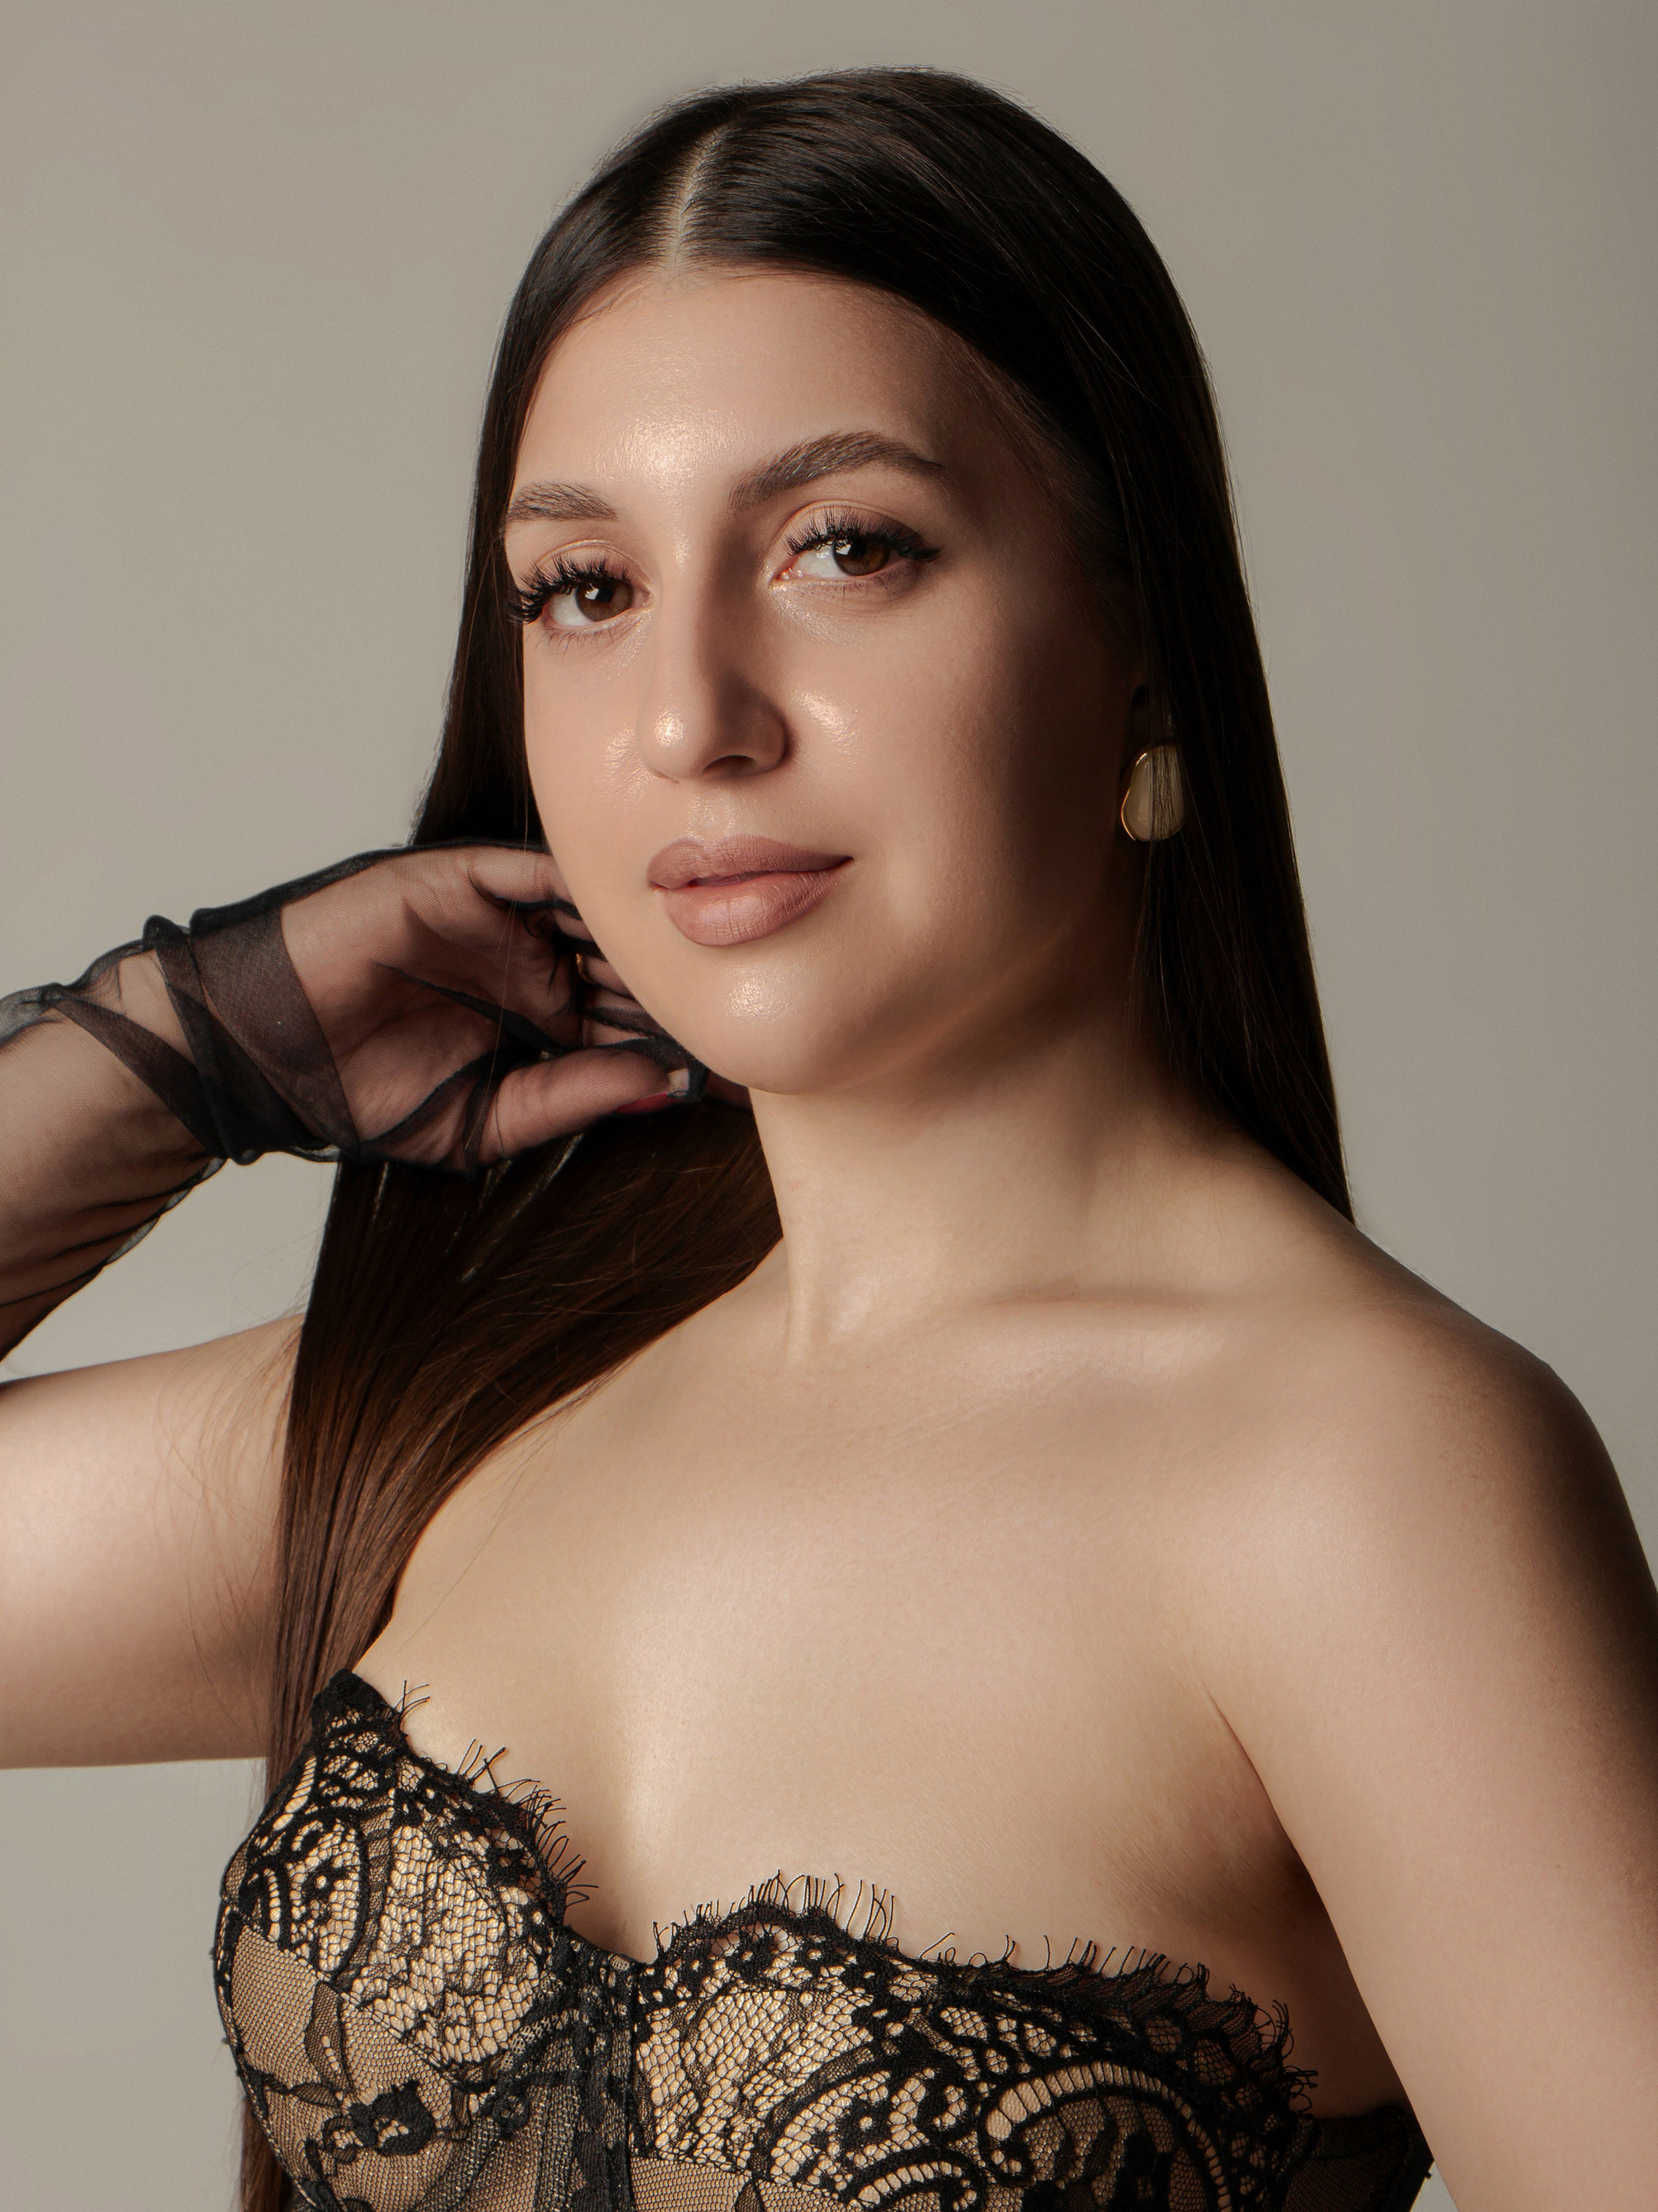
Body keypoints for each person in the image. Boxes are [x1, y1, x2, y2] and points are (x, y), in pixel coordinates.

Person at [1, 66, 1652, 2212]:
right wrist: (189, 1048)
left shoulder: (1366, 1481)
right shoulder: (475, 1406)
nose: (691, 716)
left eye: (845, 549)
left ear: (1143, 638)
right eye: (582, 587)